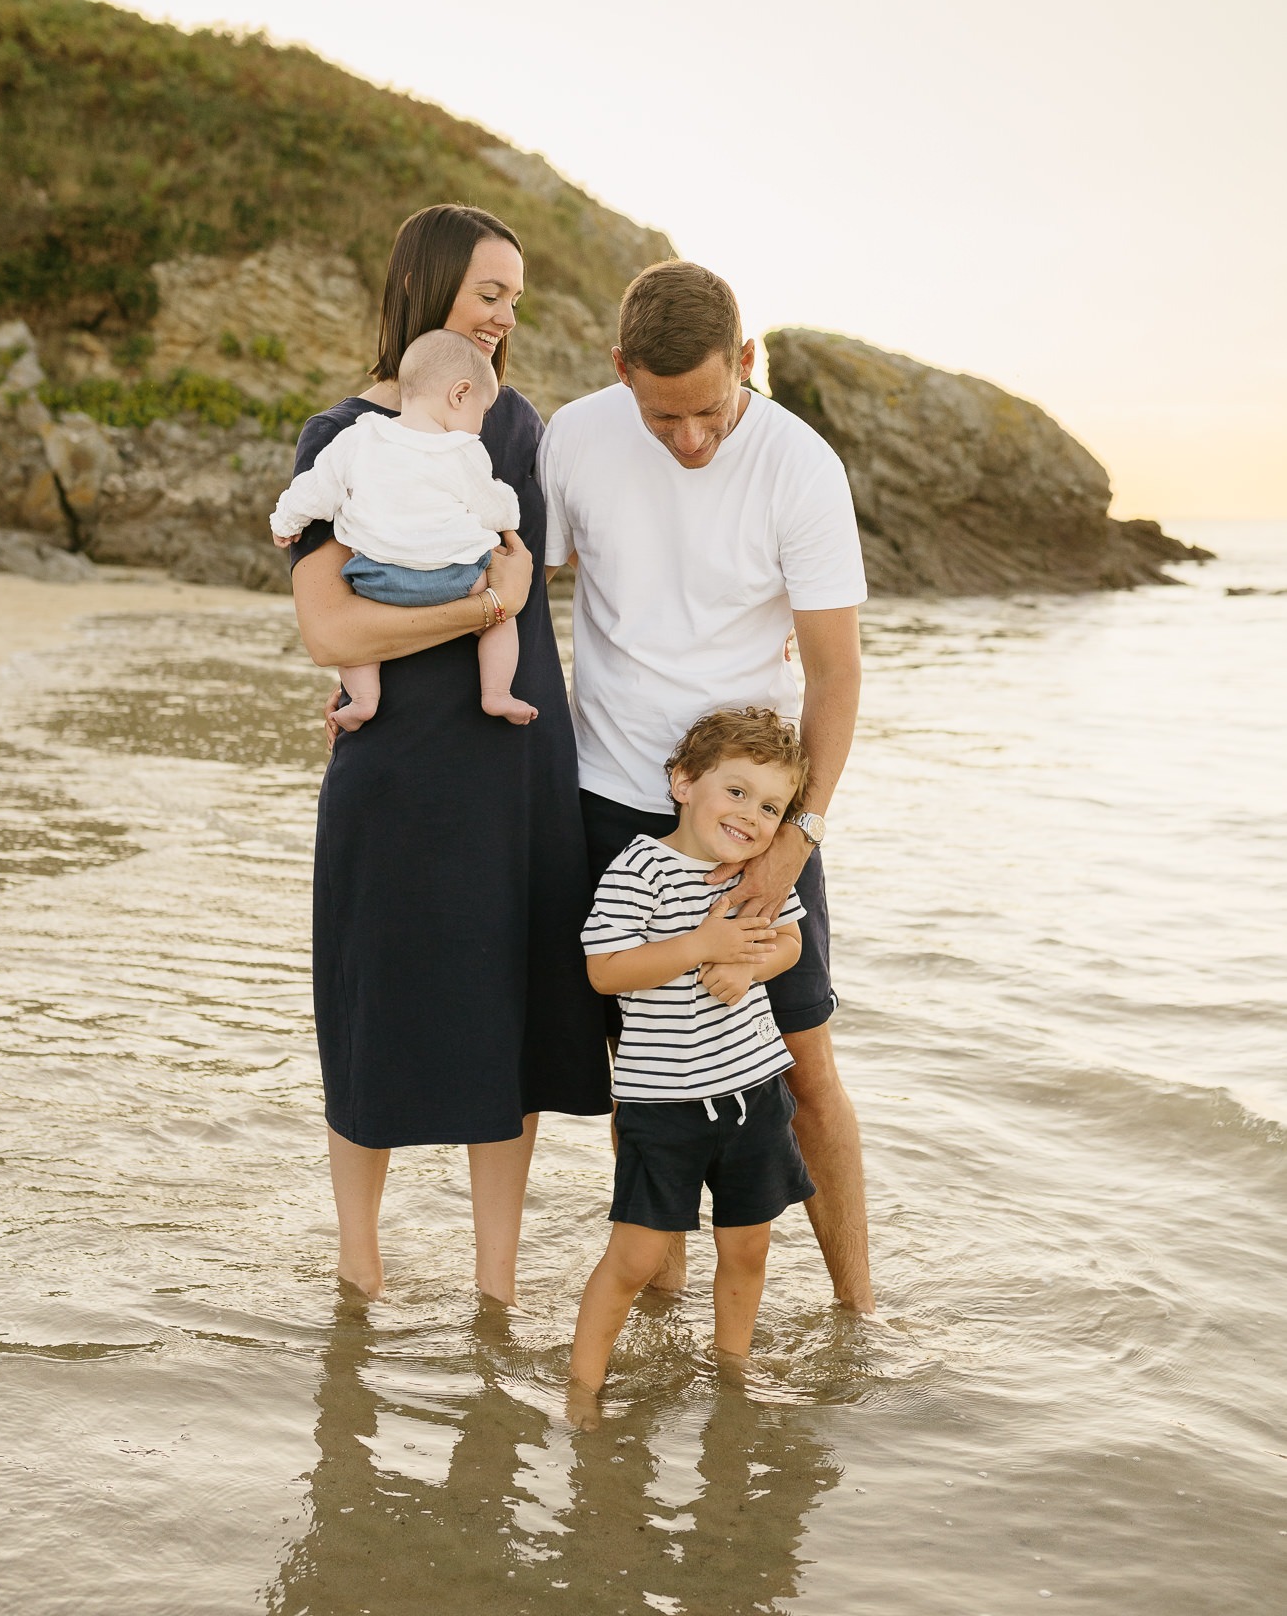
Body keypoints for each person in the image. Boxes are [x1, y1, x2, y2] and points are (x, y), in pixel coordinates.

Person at [288, 202, 612, 1304]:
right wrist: (478, 610)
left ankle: (496, 1294)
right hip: (390, 766)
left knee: (508, 1020)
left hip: (514, 769)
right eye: (487, 292)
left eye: (514, 298)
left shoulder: (512, 424)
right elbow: (331, 629)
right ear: (424, 286)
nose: (503, 316)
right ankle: (359, 1275)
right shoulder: (336, 437)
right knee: (371, 1008)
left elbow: (562, 558)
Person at [539, 260, 875, 1312]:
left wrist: (794, 838)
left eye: (709, 410)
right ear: (620, 370)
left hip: (753, 816)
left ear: (746, 361)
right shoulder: (574, 439)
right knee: (644, 1075)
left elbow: (835, 673)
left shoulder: (798, 465)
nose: (689, 438)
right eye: (662, 415)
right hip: (608, 798)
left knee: (803, 1066)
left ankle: (860, 1314)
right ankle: (661, 1319)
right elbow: (513, 597)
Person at [569, 708, 816, 1399]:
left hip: (754, 1094)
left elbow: (790, 941)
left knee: (748, 1248)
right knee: (635, 1256)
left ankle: (731, 1374)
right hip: (664, 1105)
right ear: (683, 783)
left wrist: (750, 966)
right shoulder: (640, 868)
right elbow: (604, 971)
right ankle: (582, 1389)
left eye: (769, 807)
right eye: (735, 791)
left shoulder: (756, 876)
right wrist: (701, 946)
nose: (750, 816)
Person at [270, 329, 536, 729]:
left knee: (357, 644)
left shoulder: (358, 437)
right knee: (501, 618)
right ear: (459, 394)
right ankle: (497, 693)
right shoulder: (463, 450)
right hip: (459, 578)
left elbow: (314, 490)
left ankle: (363, 700)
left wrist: (285, 523)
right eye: (481, 412)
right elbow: (492, 509)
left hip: (377, 581)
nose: (480, 426)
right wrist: (510, 517)